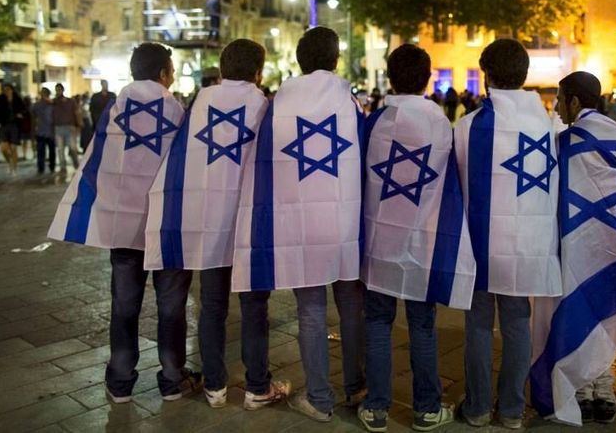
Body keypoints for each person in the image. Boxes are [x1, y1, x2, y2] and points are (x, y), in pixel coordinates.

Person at [48, 43, 200, 403]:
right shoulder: (178, 111)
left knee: (124, 304)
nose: (174, 76)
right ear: (163, 73)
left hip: (124, 227)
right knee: (171, 305)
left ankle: (120, 381)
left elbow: (96, 162)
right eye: (172, 70)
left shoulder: (114, 111)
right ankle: (172, 378)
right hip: (168, 228)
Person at [145, 40, 290, 411]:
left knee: (212, 306)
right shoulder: (262, 105)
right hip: (247, 222)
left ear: (222, 69)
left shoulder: (200, 103)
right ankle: (258, 386)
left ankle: (215, 386)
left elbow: (182, 157)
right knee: (255, 306)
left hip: (208, 221)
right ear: (258, 72)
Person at [232, 27, 365, 423]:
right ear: (336, 59)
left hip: (300, 221)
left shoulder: (281, 100)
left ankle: (320, 399)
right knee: (351, 305)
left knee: (310, 309)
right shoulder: (351, 101)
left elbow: (264, 161)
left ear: (299, 60)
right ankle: (357, 387)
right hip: (344, 219)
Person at [357, 44, 475, 432]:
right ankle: (425, 408)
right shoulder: (440, 123)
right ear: (427, 78)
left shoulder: (374, 122)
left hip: (379, 240)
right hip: (423, 241)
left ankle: (376, 406)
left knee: (377, 321)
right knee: (422, 326)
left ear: (390, 77)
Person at [454, 39, 562, 429]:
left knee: (479, 324)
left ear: (488, 75)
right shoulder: (546, 125)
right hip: (529, 242)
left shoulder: (468, 128)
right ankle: (513, 410)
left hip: (482, 242)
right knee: (518, 323)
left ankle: (479, 407)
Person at [530, 71, 616, 425]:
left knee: (576, 311)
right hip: (612, 242)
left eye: (559, 98)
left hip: (575, 241)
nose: (556, 107)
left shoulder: (565, 141)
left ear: (574, 101)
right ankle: (603, 388)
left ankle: (582, 391)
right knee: (603, 312)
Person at [0, 80, 27, 175]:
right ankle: (9, 162)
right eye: (4, 90)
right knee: (3, 148)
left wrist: (20, 114)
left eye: (8, 89)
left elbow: (24, 109)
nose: (6, 91)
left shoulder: (17, 99)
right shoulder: (1, 99)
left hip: (15, 125)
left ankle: (15, 168)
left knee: (13, 148)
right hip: (3, 125)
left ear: (12, 90)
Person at [52, 83, 80, 171]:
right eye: (57, 90)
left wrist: (78, 124)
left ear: (63, 90)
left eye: (59, 89)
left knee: (72, 148)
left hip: (69, 127)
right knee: (60, 149)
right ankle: (63, 167)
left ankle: (76, 163)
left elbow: (76, 112)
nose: (58, 91)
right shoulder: (54, 102)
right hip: (58, 127)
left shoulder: (70, 101)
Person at [33, 88, 56, 174]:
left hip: (49, 131)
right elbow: (33, 117)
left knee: (50, 151)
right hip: (41, 131)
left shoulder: (52, 104)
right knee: (41, 151)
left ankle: (51, 167)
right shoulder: (37, 105)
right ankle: (41, 168)